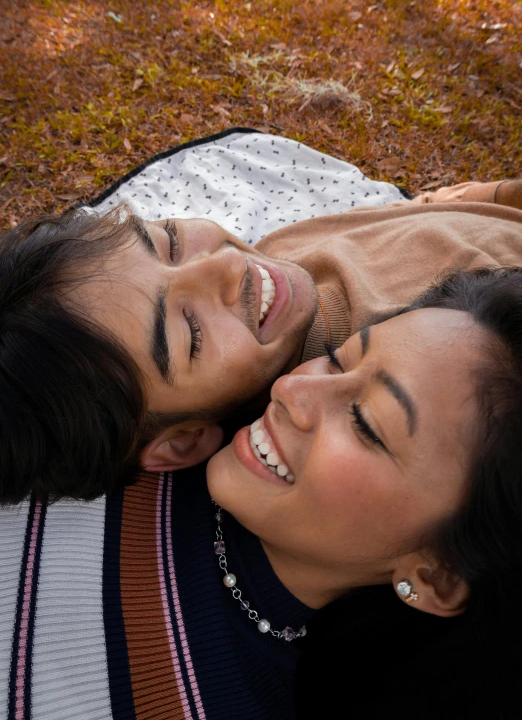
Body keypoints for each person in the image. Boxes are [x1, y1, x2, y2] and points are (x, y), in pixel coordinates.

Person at [2, 267, 522, 719]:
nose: (292, 388)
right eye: (338, 360)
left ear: (436, 575)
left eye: (366, 424)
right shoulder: (161, 415)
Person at [0, 157, 521, 502]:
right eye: (190, 331)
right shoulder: (440, 343)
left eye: (170, 242)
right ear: (181, 442)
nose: (224, 268)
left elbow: (424, 213)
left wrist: (490, 193)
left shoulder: (276, 273)